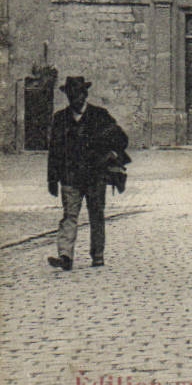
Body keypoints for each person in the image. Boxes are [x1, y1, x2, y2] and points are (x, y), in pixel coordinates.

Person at [46, 77, 130, 271]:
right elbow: (54, 152)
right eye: (71, 95)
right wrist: (52, 179)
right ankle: (65, 256)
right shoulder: (60, 119)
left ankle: (98, 255)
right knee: (69, 216)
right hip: (70, 177)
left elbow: (122, 138)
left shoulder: (99, 116)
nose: (74, 99)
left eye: (78, 94)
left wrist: (113, 154)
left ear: (85, 95)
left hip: (95, 176)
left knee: (96, 216)